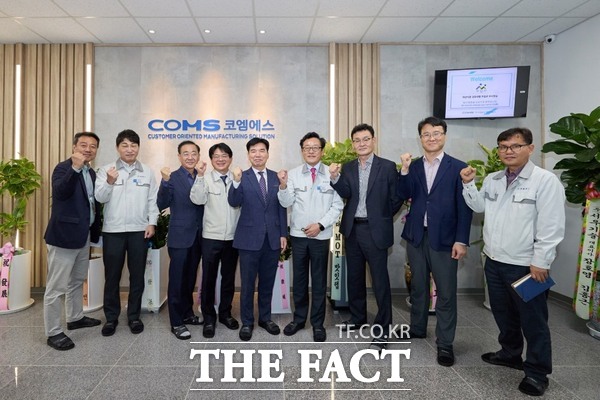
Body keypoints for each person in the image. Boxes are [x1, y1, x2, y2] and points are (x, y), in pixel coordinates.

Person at [461, 127, 565, 396]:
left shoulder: (545, 181)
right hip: (494, 261)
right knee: (502, 313)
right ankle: (510, 354)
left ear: (530, 148)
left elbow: (551, 226)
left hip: (528, 265)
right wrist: (469, 184)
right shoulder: (495, 179)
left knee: (534, 320)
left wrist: (541, 261)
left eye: (515, 146)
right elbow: (479, 207)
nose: (509, 151)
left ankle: (537, 372)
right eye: (503, 146)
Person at [397, 116, 473, 367]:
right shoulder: (414, 166)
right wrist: (405, 169)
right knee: (418, 286)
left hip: (445, 239)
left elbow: (465, 208)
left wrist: (461, 240)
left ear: (444, 136)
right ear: (420, 138)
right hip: (417, 236)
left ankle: (445, 343)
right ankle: (417, 328)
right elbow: (403, 193)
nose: (431, 138)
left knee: (446, 293)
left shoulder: (458, 167)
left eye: (436, 133)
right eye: (426, 134)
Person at [329, 123, 403, 351]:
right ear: (353, 144)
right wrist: (334, 177)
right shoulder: (349, 167)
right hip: (353, 229)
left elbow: (396, 198)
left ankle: (382, 330)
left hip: (375, 230)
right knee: (355, 278)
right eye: (357, 140)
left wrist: (381, 217)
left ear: (373, 140)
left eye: (365, 139)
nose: (361, 144)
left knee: (380, 281)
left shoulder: (388, 167)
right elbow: (346, 193)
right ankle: (358, 318)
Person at [277, 132, 343, 342]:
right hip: (298, 236)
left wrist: (320, 225)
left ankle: (318, 324)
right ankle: (298, 320)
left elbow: (338, 205)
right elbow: (286, 203)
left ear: (322, 151)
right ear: (302, 151)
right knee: (300, 280)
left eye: (315, 147)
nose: (311, 151)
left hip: (321, 236)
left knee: (319, 281)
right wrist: (284, 185)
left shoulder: (332, 174)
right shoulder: (294, 174)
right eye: (307, 147)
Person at [95, 129, 159, 337]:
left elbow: (152, 201)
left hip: (139, 232)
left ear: (139, 148)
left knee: (137, 276)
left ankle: (133, 316)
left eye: (133, 145)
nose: (129, 149)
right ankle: (111, 318)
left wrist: (152, 223)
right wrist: (110, 182)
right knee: (111, 276)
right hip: (113, 231)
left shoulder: (147, 171)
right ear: (117, 147)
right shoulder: (106, 170)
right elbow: (100, 197)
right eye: (125, 145)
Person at [43, 132, 102, 350]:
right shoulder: (63, 168)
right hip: (63, 237)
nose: (88, 149)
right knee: (56, 287)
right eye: (84, 145)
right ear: (74, 146)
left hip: (83, 236)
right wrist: (74, 169)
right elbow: (60, 192)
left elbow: (91, 204)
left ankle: (75, 318)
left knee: (77, 280)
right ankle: (53, 332)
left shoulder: (91, 172)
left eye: (93, 146)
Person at [228, 138, 287, 341]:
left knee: (267, 282)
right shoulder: (240, 177)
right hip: (248, 240)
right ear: (248, 154)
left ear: (268, 154)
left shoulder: (275, 177)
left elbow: (281, 207)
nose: (258, 154)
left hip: (271, 239)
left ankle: (265, 318)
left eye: (262, 151)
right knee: (247, 284)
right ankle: (247, 322)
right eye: (253, 151)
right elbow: (234, 201)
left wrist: (283, 234)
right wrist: (235, 182)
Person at [190, 142, 241, 338]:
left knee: (228, 278)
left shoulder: (238, 178)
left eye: (225, 155)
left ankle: (226, 314)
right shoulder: (205, 178)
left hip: (233, 238)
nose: (221, 159)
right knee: (209, 279)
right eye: (216, 156)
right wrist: (200, 176)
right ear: (211, 159)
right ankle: (209, 318)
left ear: (230, 158)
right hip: (211, 236)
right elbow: (197, 199)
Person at [157, 141, 205, 340]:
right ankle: (176, 322)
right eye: (185, 153)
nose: (190, 157)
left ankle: (187, 313)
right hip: (179, 236)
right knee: (177, 280)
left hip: (199, 235)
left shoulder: (203, 177)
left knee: (190, 278)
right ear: (179, 156)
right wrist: (165, 182)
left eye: (194, 153)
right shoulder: (172, 177)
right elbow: (162, 203)